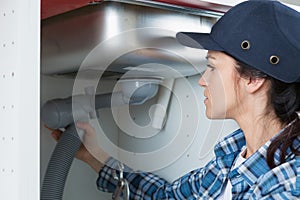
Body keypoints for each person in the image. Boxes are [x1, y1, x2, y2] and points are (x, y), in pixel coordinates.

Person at [50, 0, 300, 199]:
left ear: (253, 80)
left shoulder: (288, 186)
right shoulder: (233, 158)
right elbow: (165, 196)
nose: (203, 80)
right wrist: (94, 156)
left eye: (212, 67)